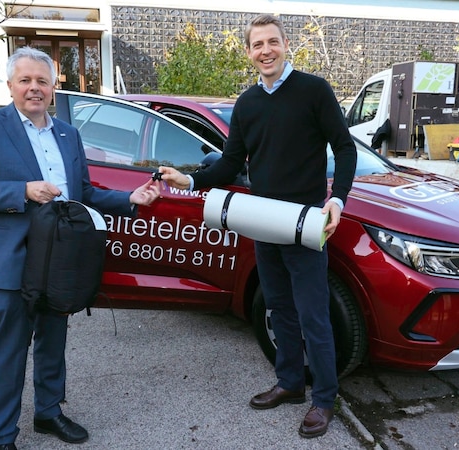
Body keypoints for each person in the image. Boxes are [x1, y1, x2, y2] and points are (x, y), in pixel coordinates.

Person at [158, 14, 357, 438]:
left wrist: (336, 197)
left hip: (304, 225)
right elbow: (231, 163)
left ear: (286, 45)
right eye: (257, 44)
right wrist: (190, 179)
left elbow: (344, 147)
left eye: (272, 42)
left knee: (313, 315)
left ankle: (324, 398)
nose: (265, 50)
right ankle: (289, 383)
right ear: (248, 52)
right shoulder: (246, 104)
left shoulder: (314, 91)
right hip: (265, 222)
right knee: (278, 308)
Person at [0, 46, 160, 450]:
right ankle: (2, 434)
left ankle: (48, 412)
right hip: (13, 260)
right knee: (9, 348)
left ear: (52, 87)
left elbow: (83, 191)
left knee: (53, 340)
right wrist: (22, 191)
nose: (34, 88)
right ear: (10, 85)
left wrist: (130, 199)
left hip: (60, 258)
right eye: (25, 80)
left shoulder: (68, 133)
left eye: (41, 81)